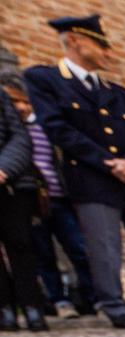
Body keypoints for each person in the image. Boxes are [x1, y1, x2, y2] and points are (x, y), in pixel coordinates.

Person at [24, 15, 125, 329]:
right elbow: (57, 128)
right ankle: (115, 306)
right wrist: (109, 162)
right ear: (75, 40)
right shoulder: (46, 79)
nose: (108, 52)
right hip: (92, 177)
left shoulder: (120, 93)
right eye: (101, 44)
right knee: (104, 248)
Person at [0, 73, 94, 317]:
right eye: (15, 101)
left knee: (75, 247)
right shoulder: (17, 129)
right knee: (42, 252)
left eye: (24, 101)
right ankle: (55, 300)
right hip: (30, 193)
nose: (20, 106)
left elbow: (50, 156)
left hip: (48, 193)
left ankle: (91, 297)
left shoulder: (40, 127)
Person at [0, 87, 47, 332]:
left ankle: (32, 305)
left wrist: (3, 169)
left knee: (20, 242)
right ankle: (4, 308)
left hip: (11, 182)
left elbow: (18, 137)